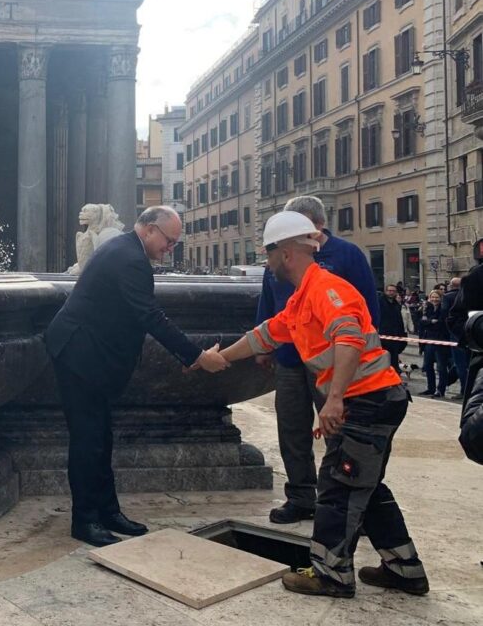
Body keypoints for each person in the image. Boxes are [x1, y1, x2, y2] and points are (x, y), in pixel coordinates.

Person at [216, 211, 427, 598]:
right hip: (374, 399)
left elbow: (348, 338)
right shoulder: (303, 296)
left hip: (369, 401)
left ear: (286, 253)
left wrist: (333, 399)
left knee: (337, 487)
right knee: (365, 484)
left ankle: (332, 575)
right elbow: (266, 335)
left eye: (268, 253)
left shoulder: (328, 290)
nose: (266, 262)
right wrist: (221, 357)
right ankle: (405, 569)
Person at [44, 205, 228, 547]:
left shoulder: (127, 250)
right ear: (148, 230)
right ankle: (84, 520)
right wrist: (198, 356)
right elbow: (151, 316)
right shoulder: (129, 258)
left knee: (100, 436)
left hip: (88, 353)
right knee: (88, 440)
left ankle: (107, 512)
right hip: (79, 354)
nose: (170, 249)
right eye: (169, 241)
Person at [256, 195, 380, 525]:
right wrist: (263, 346)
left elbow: (368, 309)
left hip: (331, 363)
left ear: (314, 226)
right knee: (291, 428)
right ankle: (301, 496)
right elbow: (270, 302)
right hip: (290, 359)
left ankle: (347, 503)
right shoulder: (281, 259)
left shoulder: (347, 255)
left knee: (339, 433)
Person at [418, 290, 452, 397]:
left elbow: (440, 323)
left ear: (441, 298)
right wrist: (430, 321)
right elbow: (422, 322)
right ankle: (430, 388)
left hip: (440, 340)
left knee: (441, 367)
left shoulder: (444, 309)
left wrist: (429, 322)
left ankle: (441, 389)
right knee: (428, 365)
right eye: (432, 297)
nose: (434, 299)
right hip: (428, 340)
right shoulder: (427, 308)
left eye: (437, 297)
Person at [442, 277, 469, 398]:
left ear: (451, 285)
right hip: (470, 332)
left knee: (460, 364)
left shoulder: (448, 297)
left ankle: (464, 390)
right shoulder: (469, 295)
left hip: (456, 333)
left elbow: (446, 314)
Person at [379, 284, 408, 373]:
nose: (391, 293)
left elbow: (399, 321)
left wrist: (403, 335)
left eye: (393, 291)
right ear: (385, 291)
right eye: (389, 291)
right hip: (383, 335)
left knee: (394, 360)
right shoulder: (380, 302)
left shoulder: (396, 305)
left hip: (394, 336)